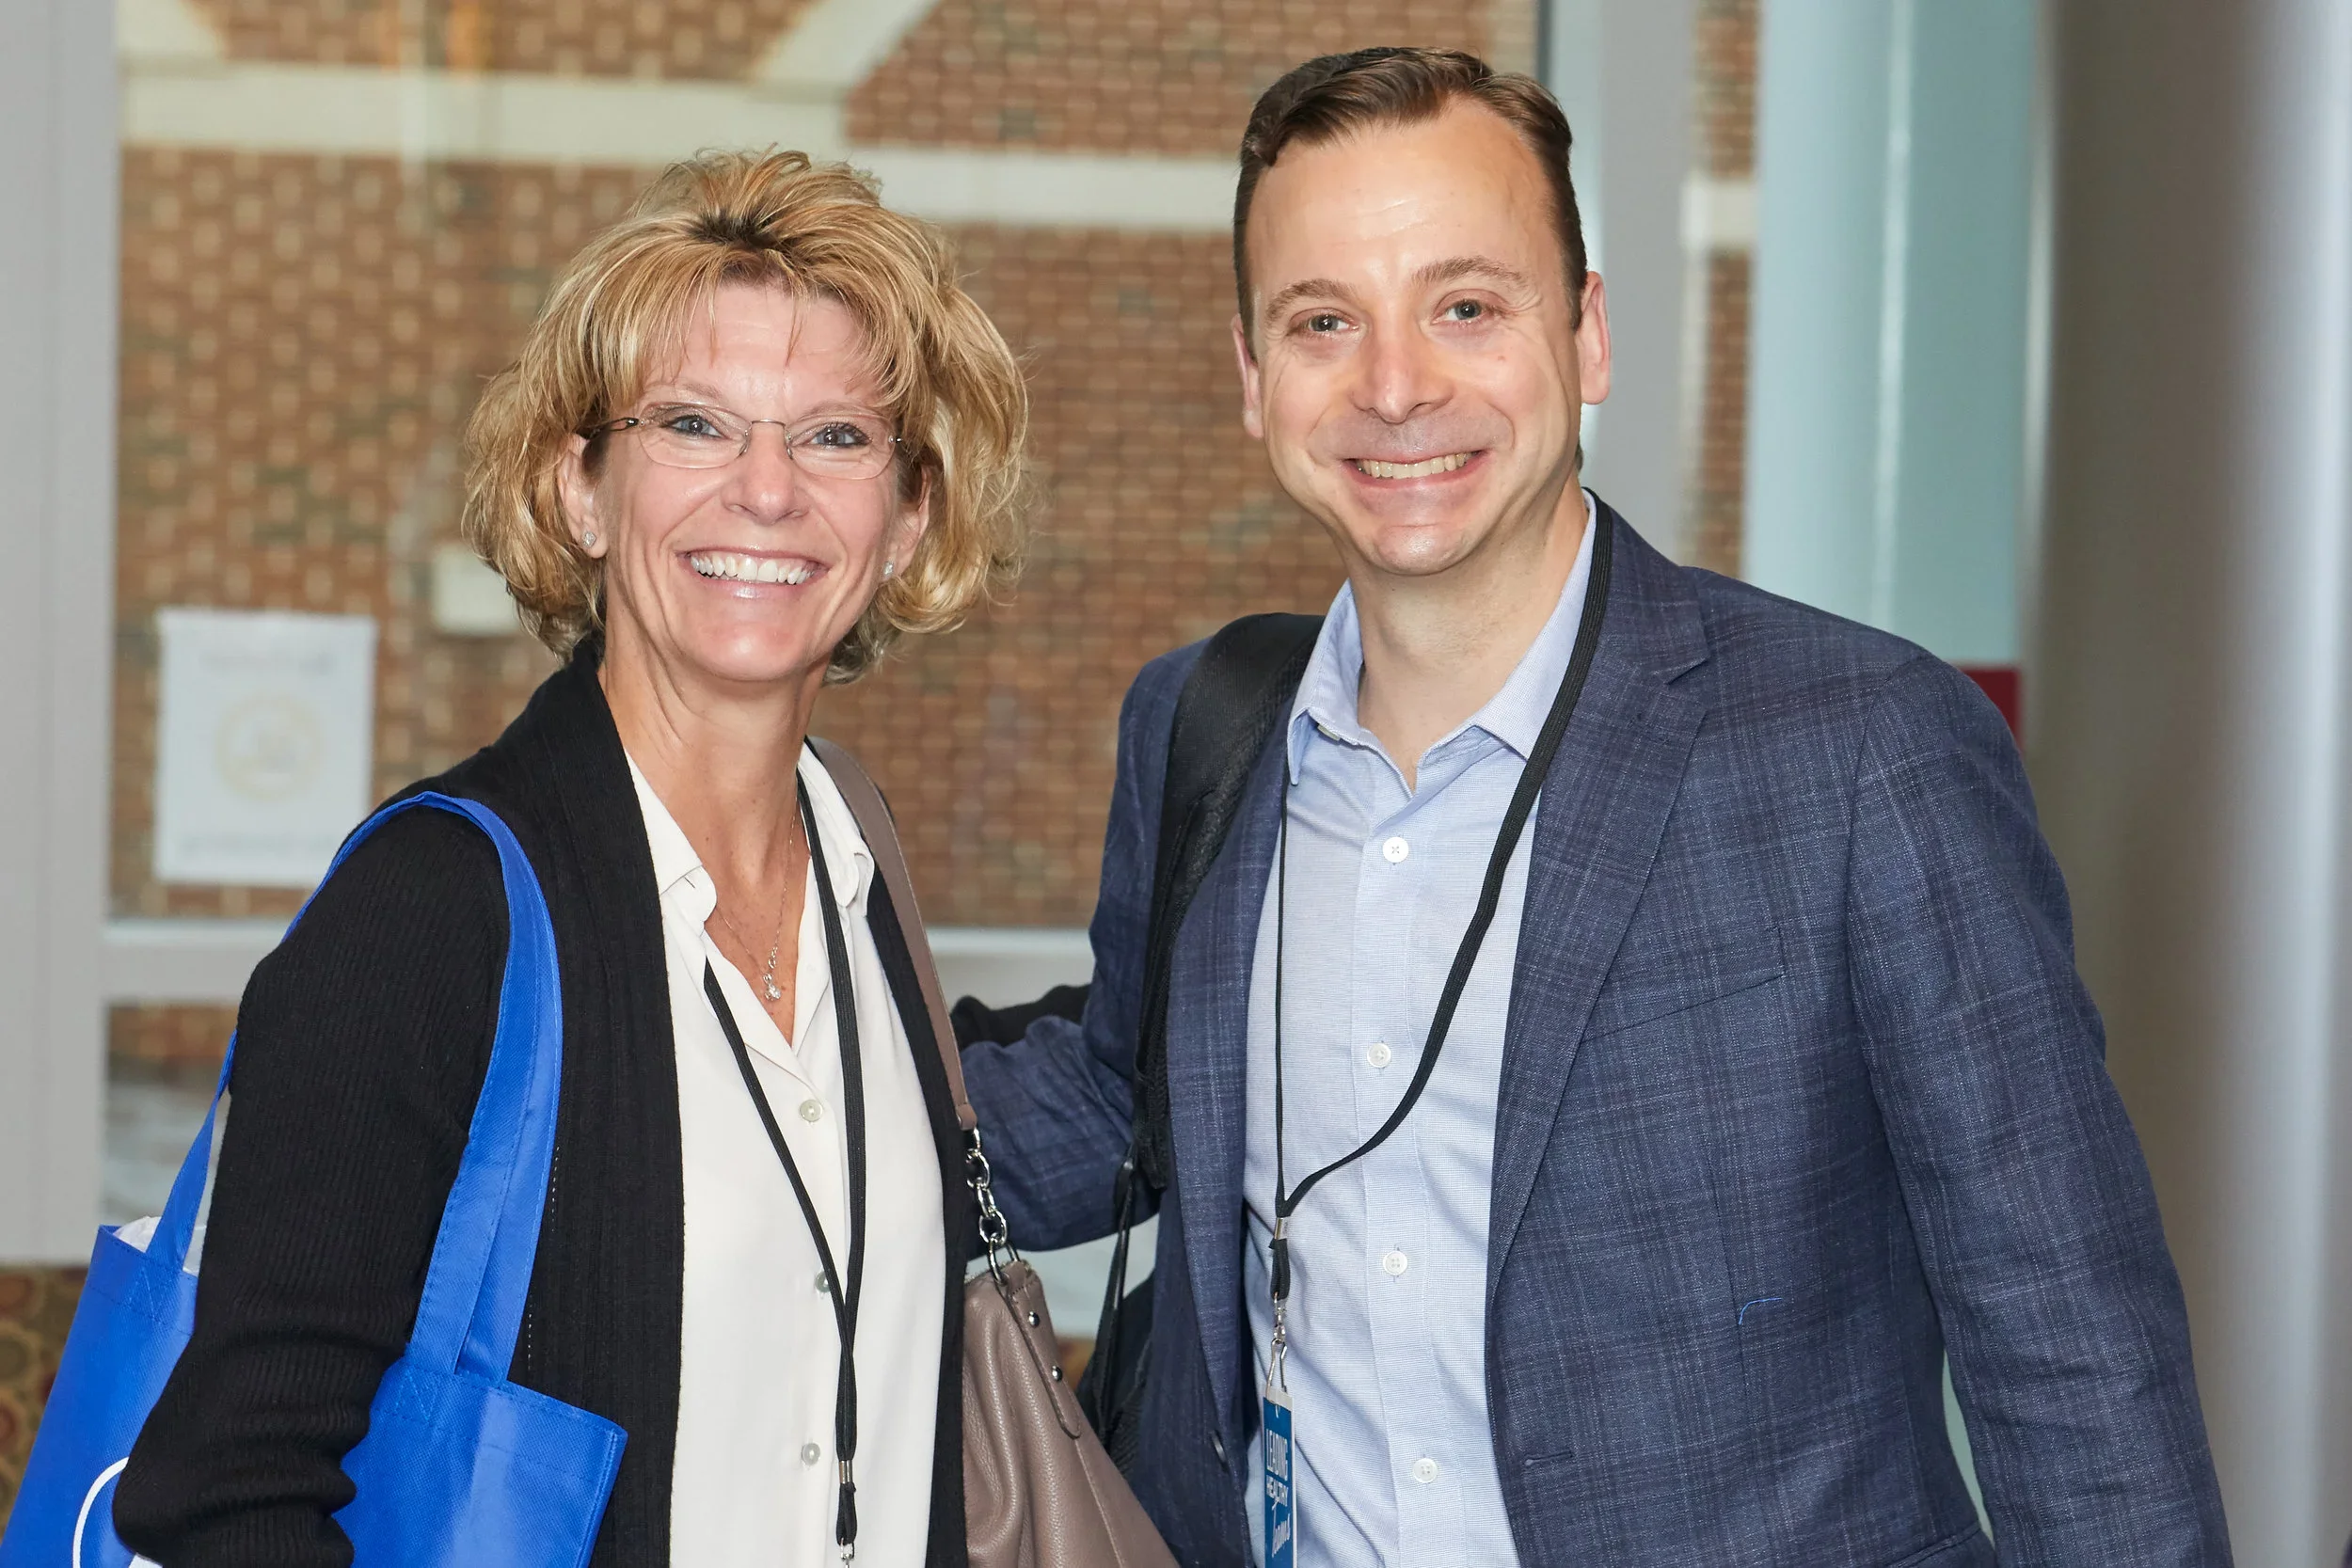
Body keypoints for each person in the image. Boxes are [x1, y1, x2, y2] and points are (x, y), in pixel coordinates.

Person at [957, 47, 2232, 1566]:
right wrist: (745, 1069)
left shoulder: (1859, 749)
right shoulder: (1205, 727)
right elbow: (1121, 1095)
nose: (1395, 385)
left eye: (1468, 306)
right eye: (1322, 322)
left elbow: (2071, 1353)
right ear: (1251, 377)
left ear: (1591, 331)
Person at [116, 149, 1029, 1567]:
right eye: (693, 424)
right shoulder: (435, 910)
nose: (769, 491)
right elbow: (224, 1491)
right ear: (581, 490)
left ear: (909, 517)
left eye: (838, 437)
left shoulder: (866, 868)